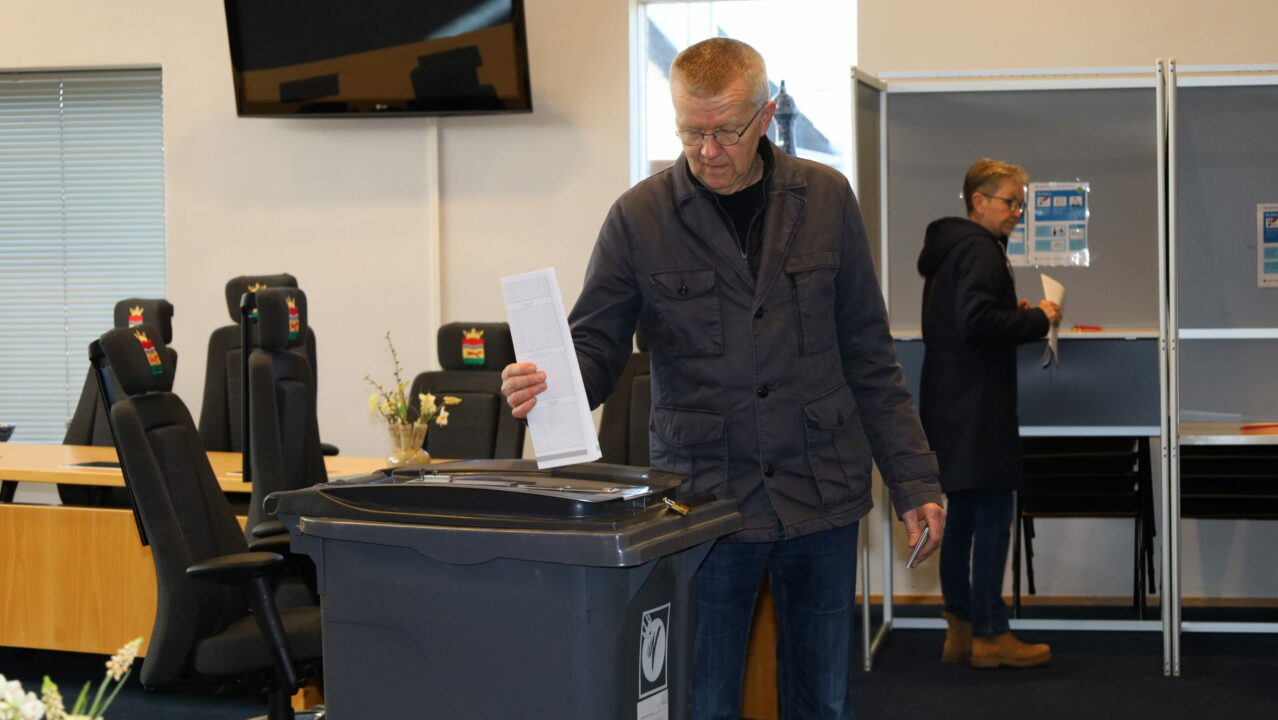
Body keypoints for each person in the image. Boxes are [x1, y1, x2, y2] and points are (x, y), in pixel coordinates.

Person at [500, 38, 944, 719]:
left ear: (765, 116)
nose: (708, 150)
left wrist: (914, 481)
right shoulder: (639, 217)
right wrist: (548, 385)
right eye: (691, 131)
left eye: (727, 131)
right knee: (701, 701)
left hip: (820, 489)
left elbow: (868, 352)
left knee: (821, 701)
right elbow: (595, 345)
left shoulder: (826, 198)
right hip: (705, 501)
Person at [916, 158, 1062, 669]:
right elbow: (977, 323)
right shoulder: (980, 249)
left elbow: (966, 320)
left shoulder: (951, 250)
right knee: (994, 517)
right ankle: (991, 634)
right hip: (980, 407)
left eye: (1021, 203)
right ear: (978, 201)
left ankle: (959, 628)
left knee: (960, 519)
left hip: (951, 404)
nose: (1017, 212)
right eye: (1010, 201)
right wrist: (1036, 319)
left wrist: (1011, 314)